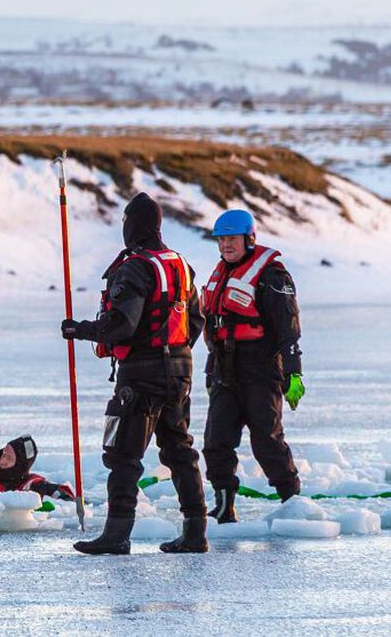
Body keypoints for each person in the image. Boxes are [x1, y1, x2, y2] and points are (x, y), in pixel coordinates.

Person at [60, 193, 208, 555]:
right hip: (179, 372)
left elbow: (122, 324)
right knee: (179, 449)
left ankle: (117, 534)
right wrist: (175, 353)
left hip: (141, 375)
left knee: (124, 455)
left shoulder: (136, 267)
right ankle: (195, 531)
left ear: (133, 225)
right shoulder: (180, 265)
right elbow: (196, 320)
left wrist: (82, 330)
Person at [200, 209, 304, 522]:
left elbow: (289, 328)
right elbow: (209, 325)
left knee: (267, 439)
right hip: (224, 369)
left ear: (249, 239)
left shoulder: (272, 276)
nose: (226, 245)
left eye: (232, 239)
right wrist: (209, 370)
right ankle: (223, 504)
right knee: (216, 440)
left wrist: (293, 372)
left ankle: (292, 502)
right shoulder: (220, 273)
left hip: (261, 368)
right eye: (221, 240)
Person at [0, 426, 75, 501]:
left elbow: (54, 489)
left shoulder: (25, 485)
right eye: (5, 452)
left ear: (19, 466)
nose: (3, 459)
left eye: (9, 458)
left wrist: (57, 493)